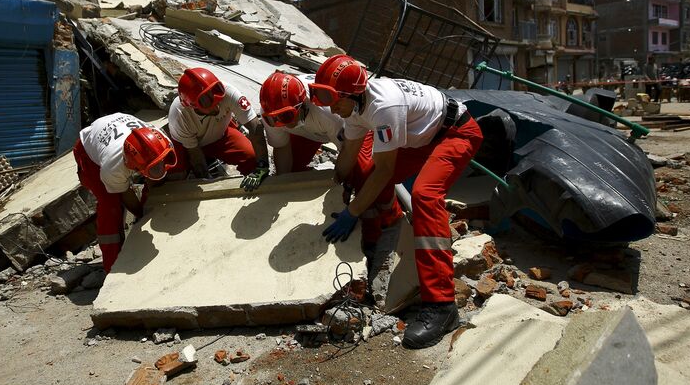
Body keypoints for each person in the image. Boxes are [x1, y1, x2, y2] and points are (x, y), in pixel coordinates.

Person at [312, 55, 484, 349]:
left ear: (353, 93)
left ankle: (442, 306)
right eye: (321, 96)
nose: (329, 107)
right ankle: (386, 230)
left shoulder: (384, 107)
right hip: (420, 135)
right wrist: (335, 184)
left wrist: (352, 211)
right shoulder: (353, 108)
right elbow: (349, 157)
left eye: (331, 97)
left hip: (455, 133)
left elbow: (386, 171)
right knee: (363, 171)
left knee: (425, 195)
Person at [260, 70, 406, 289]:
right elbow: (281, 149)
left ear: (303, 105)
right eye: (274, 119)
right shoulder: (273, 112)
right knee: (292, 174)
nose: (279, 123)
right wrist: (284, 190)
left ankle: (388, 221)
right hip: (306, 131)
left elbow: (348, 150)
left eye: (286, 117)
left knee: (365, 172)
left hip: (349, 131)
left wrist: (346, 190)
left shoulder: (330, 112)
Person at [73, 113, 177, 273]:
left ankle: (147, 213)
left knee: (158, 182)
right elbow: (125, 194)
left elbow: (158, 176)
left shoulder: (161, 142)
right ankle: (113, 266)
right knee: (110, 205)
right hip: (88, 152)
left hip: (120, 127)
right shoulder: (113, 166)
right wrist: (142, 216)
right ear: (132, 165)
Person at [168, 67, 270, 192]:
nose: (216, 104)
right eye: (206, 101)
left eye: (216, 92)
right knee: (175, 177)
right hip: (186, 146)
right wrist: (209, 187)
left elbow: (255, 127)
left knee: (251, 157)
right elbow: (195, 156)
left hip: (219, 134)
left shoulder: (229, 92)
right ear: (192, 105)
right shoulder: (179, 115)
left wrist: (262, 167)